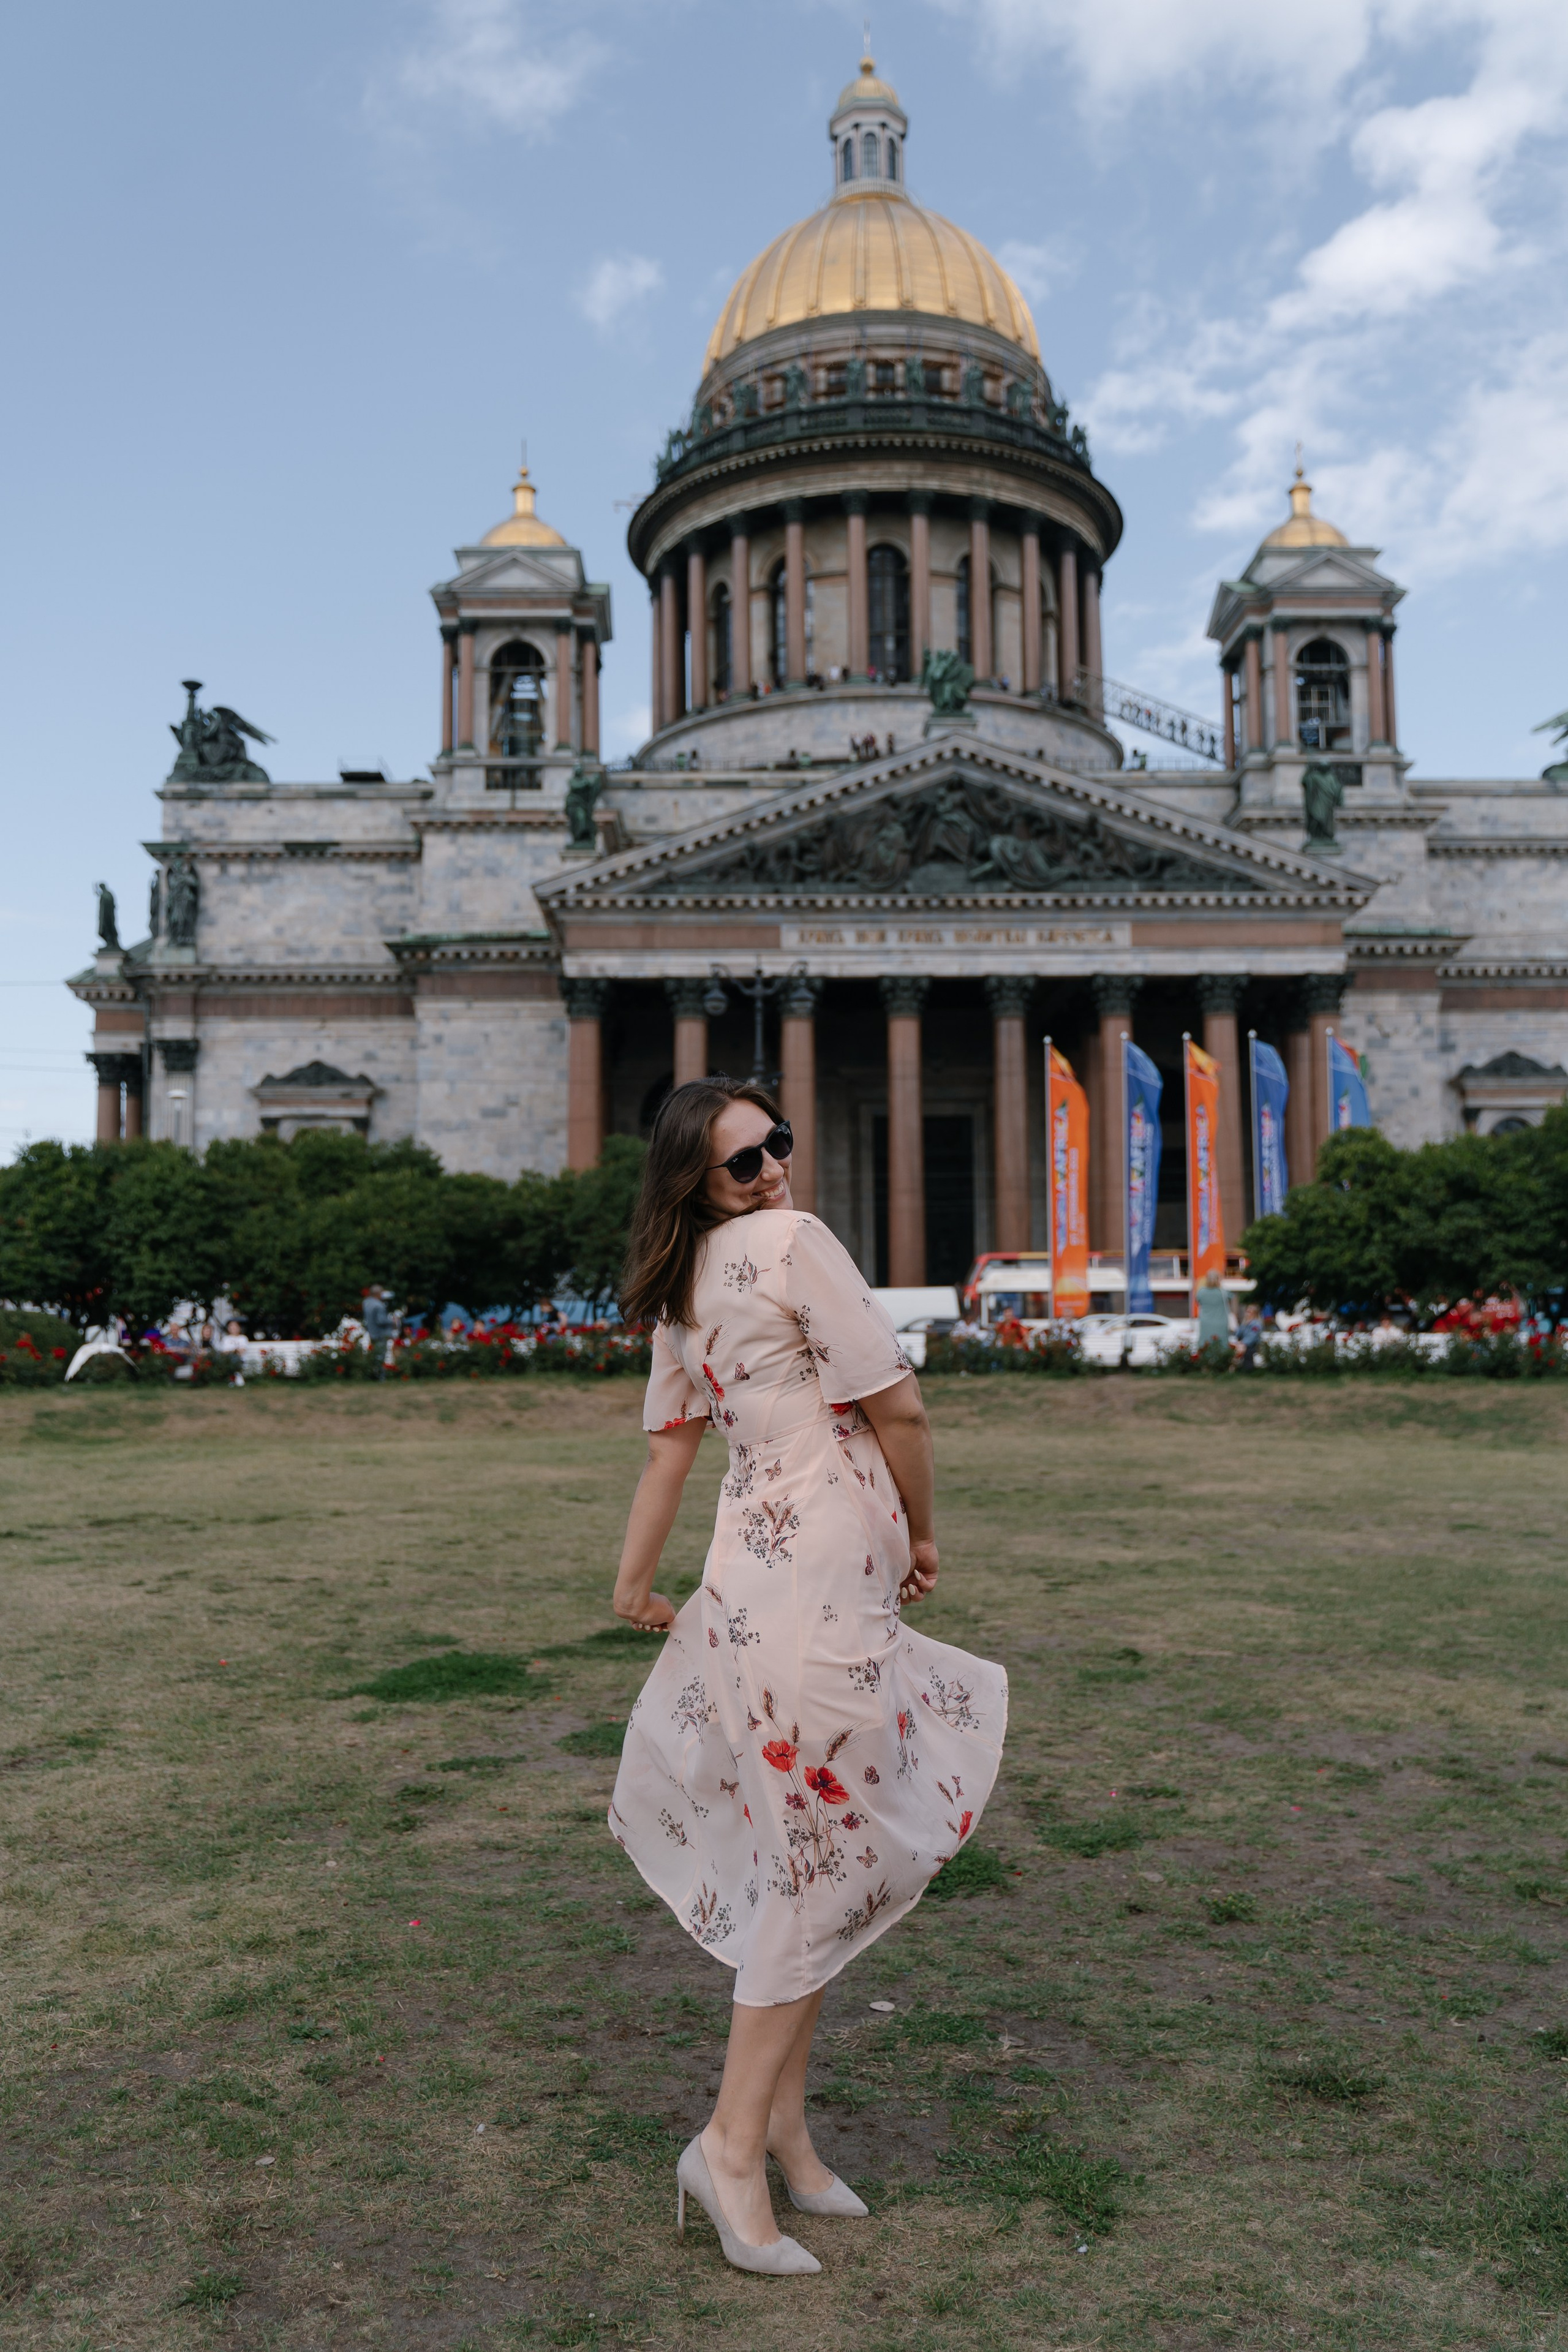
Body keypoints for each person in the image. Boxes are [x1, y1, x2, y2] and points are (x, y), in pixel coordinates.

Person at [608, 1079, 1007, 2279]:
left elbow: (666, 1463)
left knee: (815, 1856)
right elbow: (904, 1410)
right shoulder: (794, 1246)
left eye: (774, 1145)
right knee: (826, 1860)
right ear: (696, 1181)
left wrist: (631, 1586)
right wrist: (925, 1537)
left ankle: (780, 2130)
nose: (772, 1170)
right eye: (742, 1162)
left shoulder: (681, 1294)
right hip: (816, 1591)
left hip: (755, 1585)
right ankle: (727, 2146)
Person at [1196, 1269, 1232, 1352]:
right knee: (1222, 1347)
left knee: (1206, 1346)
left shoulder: (1201, 1292)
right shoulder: (1223, 1292)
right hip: (1221, 1323)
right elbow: (1232, 1298)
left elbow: (1198, 1301)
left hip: (1206, 1323)